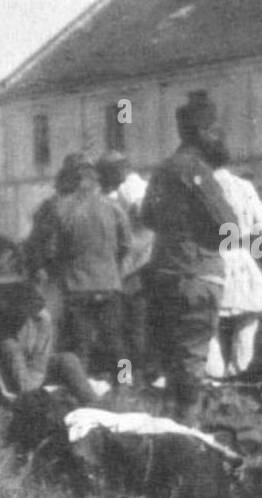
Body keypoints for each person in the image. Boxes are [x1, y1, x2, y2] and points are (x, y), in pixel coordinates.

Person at [141, 92, 237, 425]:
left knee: (173, 363)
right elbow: (228, 225)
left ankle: (170, 433)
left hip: (164, 273)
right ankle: (188, 438)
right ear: (203, 133)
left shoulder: (162, 170)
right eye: (216, 131)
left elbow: (147, 216)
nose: (221, 138)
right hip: (197, 275)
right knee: (193, 362)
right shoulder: (198, 171)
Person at [28, 152, 130, 383]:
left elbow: (51, 250)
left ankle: (81, 387)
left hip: (76, 285)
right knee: (116, 341)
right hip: (110, 283)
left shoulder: (60, 208)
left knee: (79, 343)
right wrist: (110, 264)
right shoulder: (113, 206)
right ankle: (125, 383)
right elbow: (126, 244)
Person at [0, 234, 97, 406]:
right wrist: (2, 390)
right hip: (5, 377)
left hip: (33, 374)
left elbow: (39, 362)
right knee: (9, 345)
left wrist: (30, 387)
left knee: (68, 359)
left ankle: (93, 406)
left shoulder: (41, 320)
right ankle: (33, 403)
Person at [209, 159, 262, 378]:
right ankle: (239, 369)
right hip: (241, 257)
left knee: (210, 320)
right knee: (249, 316)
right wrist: (247, 239)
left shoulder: (201, 185)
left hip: (212, 258)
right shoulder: (243, 187)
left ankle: (215, 374)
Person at [98, 150, 155, 384]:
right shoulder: (137, 186)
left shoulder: (129, 188)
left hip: (133, 269)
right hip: (138, 266)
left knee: (123, 329)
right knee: (136, 327)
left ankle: (128, 378)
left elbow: (141, 214)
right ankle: (137, 377)